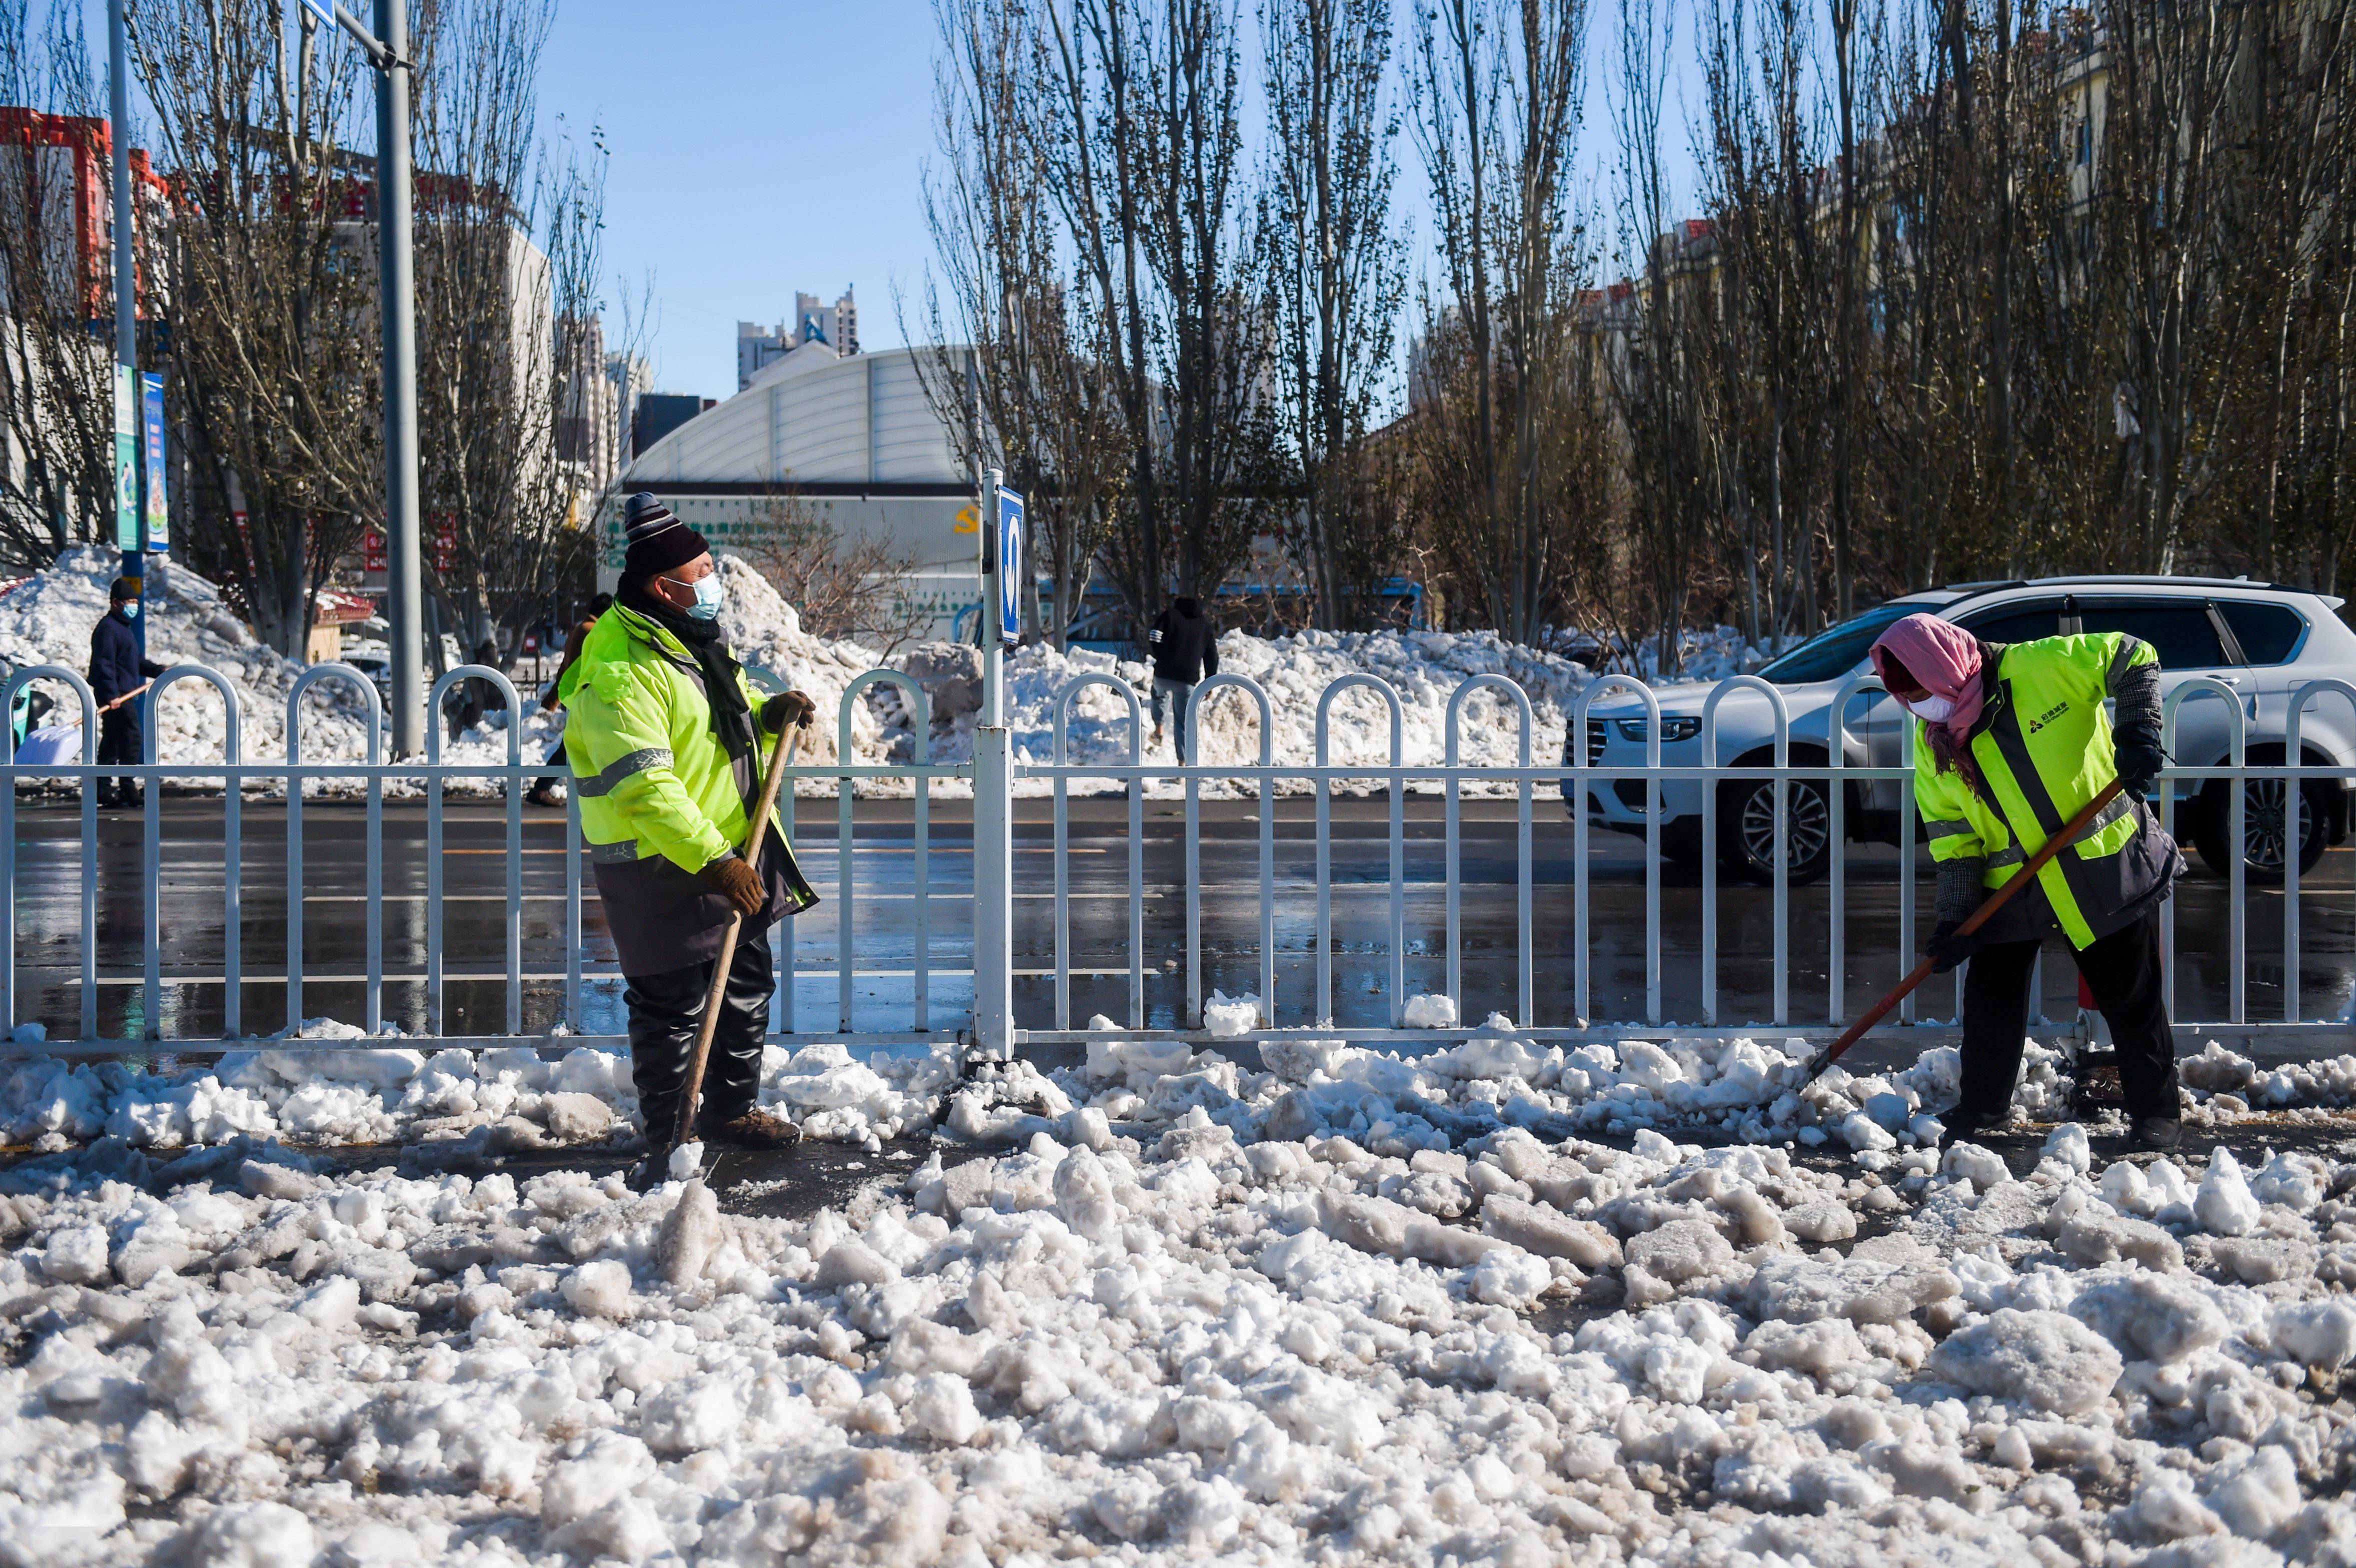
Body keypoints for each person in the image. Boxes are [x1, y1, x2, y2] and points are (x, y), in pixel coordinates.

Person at [562, 494, 821, 1183]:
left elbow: (707, 726)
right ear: (663, 584)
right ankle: (670, 1133)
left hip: (726, 852)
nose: (712, 580)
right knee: (673, 1003)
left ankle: (731, 1110)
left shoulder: (685, 640)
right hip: (663, 862)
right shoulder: (621, 669)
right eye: (701, 569)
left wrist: (768, 716)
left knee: (743, 984)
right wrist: (714, 860)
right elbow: (645, 787)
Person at [1869, 612, 2185, 1151]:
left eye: (1923, 690)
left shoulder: (2040, 666)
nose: (1921, 706)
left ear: (1944, 665)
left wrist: (2138, 729)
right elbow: (1955, 838)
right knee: (1991, 1002)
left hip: (2101, 866)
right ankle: (1983, 1107)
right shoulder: (1935, 741)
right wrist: (1955, 918)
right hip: (2013, 884)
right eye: (1909, 698)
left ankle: (2157, 1114)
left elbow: (2134, 653)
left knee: (2130, 997)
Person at [527, 592, 612, 806]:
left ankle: (542, 787)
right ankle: (542, 787)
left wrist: (554, 698)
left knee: (574, 743)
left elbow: (567, 665)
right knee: (578, 743)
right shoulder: (591, 630)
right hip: (583, 695)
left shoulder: (581, 628)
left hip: (575, 693)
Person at [89, 577, 165, 808]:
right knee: (132, 737)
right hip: (116, 695)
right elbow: (104, 664)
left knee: (112, 741)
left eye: (135, 601)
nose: (134, 605)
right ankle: (127, 787)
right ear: (116, 603)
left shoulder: (123, 629)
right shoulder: (108, 628)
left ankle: (102, 789)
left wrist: (158, 670)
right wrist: (112, 694)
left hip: (124, 693)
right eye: (129, 601)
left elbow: (135, 662)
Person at [1148, 595, 1218, 758]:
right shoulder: (1205, 626)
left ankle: (1159, 729)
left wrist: (1161, 656)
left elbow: (1154, 636)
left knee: (1158, 695)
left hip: (1163, 673)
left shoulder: (1170, 615)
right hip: (1187, 679)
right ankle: (1183, 763)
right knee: (1183, 721)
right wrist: (1210, 682)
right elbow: (1212, 657)